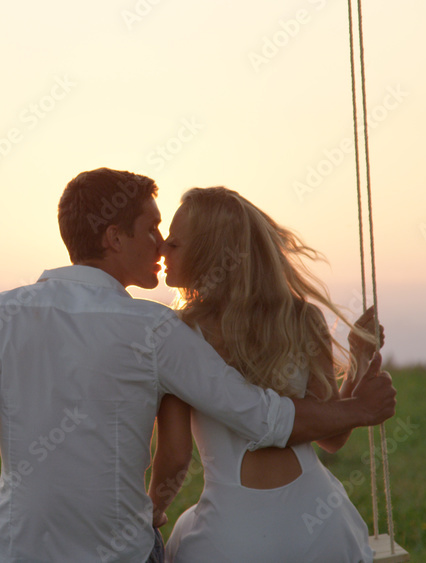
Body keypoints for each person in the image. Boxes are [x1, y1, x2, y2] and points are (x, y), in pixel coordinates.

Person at [0, 168, 396, 563]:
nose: (161, 244)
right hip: (289, 527)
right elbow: (267, 419)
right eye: (153, 231)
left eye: (169, 236)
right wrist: (358, 399)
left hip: (17, 550)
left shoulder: (3, 311)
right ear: (113, 238)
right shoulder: (160, 330)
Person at [151, 186, 380, 562]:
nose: (162, 249)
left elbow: (176, 455)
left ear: (207, 254)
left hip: (231, 537)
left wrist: (153, 510)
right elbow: (333, 435)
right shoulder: (303, 319)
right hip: (322, 526)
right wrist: (357, 359)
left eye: (174, 244)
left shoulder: (181, 336)